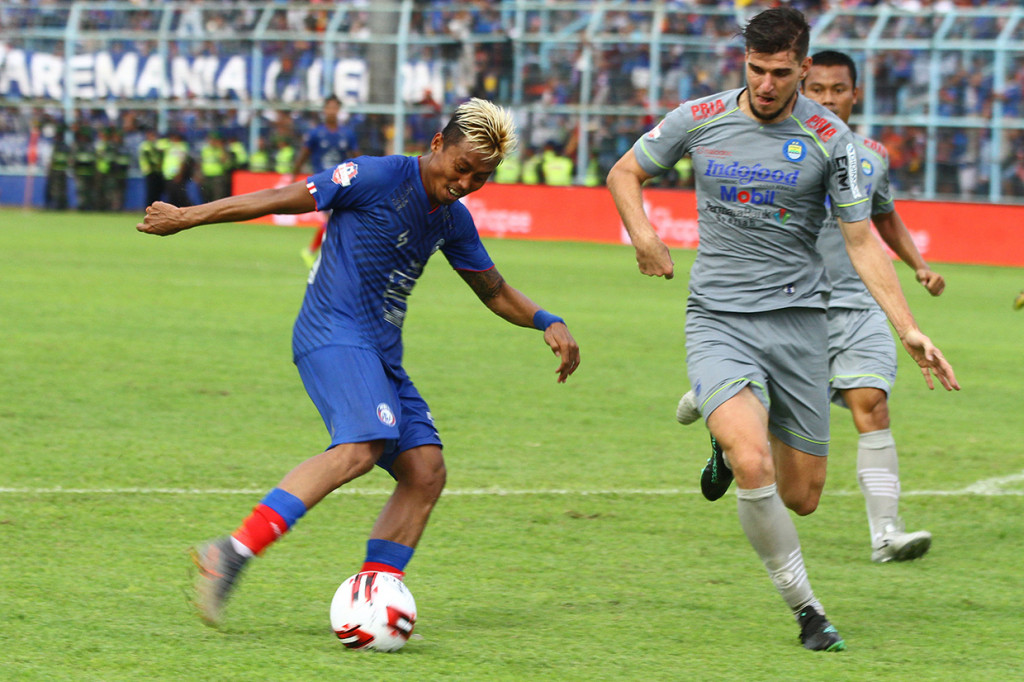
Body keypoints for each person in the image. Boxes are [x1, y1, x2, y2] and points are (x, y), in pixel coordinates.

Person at [136, 98, 581, 627]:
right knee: (362, 445)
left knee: (425, 471)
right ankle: (230, 552)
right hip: (332, 333)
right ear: (437, 144)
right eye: (462, 167)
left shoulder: (453, 221)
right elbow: (284, 196)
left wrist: (545, 319)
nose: (466, 182)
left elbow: (494, 290)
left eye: (481, 177)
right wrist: (187, 216)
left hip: (380, 351)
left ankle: (374, 599)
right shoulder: (375, 175)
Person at [606, 8, 958, 652]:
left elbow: (861, 240)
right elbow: (623, 171)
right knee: (752, 461)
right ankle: (808, 611)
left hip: (800, 325)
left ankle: (726, 418)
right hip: (718, 317)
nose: (766, 85)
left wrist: (906, 327)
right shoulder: (700, 118)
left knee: (803, 497)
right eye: (756, 70)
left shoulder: (832, 139)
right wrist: (644, 233)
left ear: (803, 66)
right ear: (745, 62)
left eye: (780, 72)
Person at [677, 49, 947, 563]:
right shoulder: (774, 143)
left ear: (854, 93)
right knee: (789, 475)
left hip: (859, 306)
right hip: (797, 309)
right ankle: (723, 408)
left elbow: (882, 217)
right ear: (803, 84)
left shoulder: (869, 154)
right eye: (817, 89)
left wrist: (917, 265)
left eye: (837, 89)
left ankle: (886, 533)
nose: (826, 98)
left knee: (873, 402)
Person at [293, 95, 361, 268]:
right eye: (328, 107)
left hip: (343, 182)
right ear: (324, 110)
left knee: (338, 220)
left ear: (339, 110)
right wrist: (294, 174)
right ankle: (315, 253)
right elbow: (304, 154)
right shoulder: (316, 133)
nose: (331, 111)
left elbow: (357, 157)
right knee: (333, 219)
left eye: (334, 107)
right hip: (323, 182)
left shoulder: (347, 134)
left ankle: (318, 253)